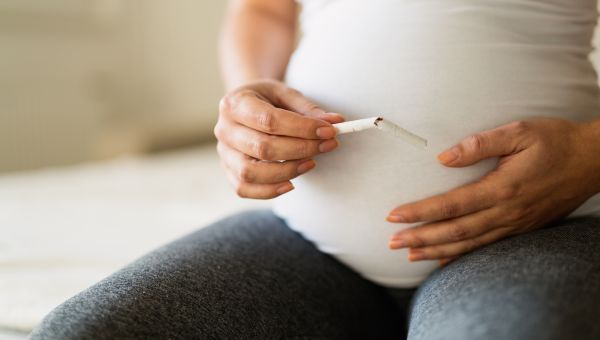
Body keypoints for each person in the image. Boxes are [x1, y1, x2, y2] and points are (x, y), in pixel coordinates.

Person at [31, 0, 600, 339]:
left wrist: (589, 153)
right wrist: (244, 105)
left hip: (542, 232)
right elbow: (265, 9)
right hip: (304, 234)